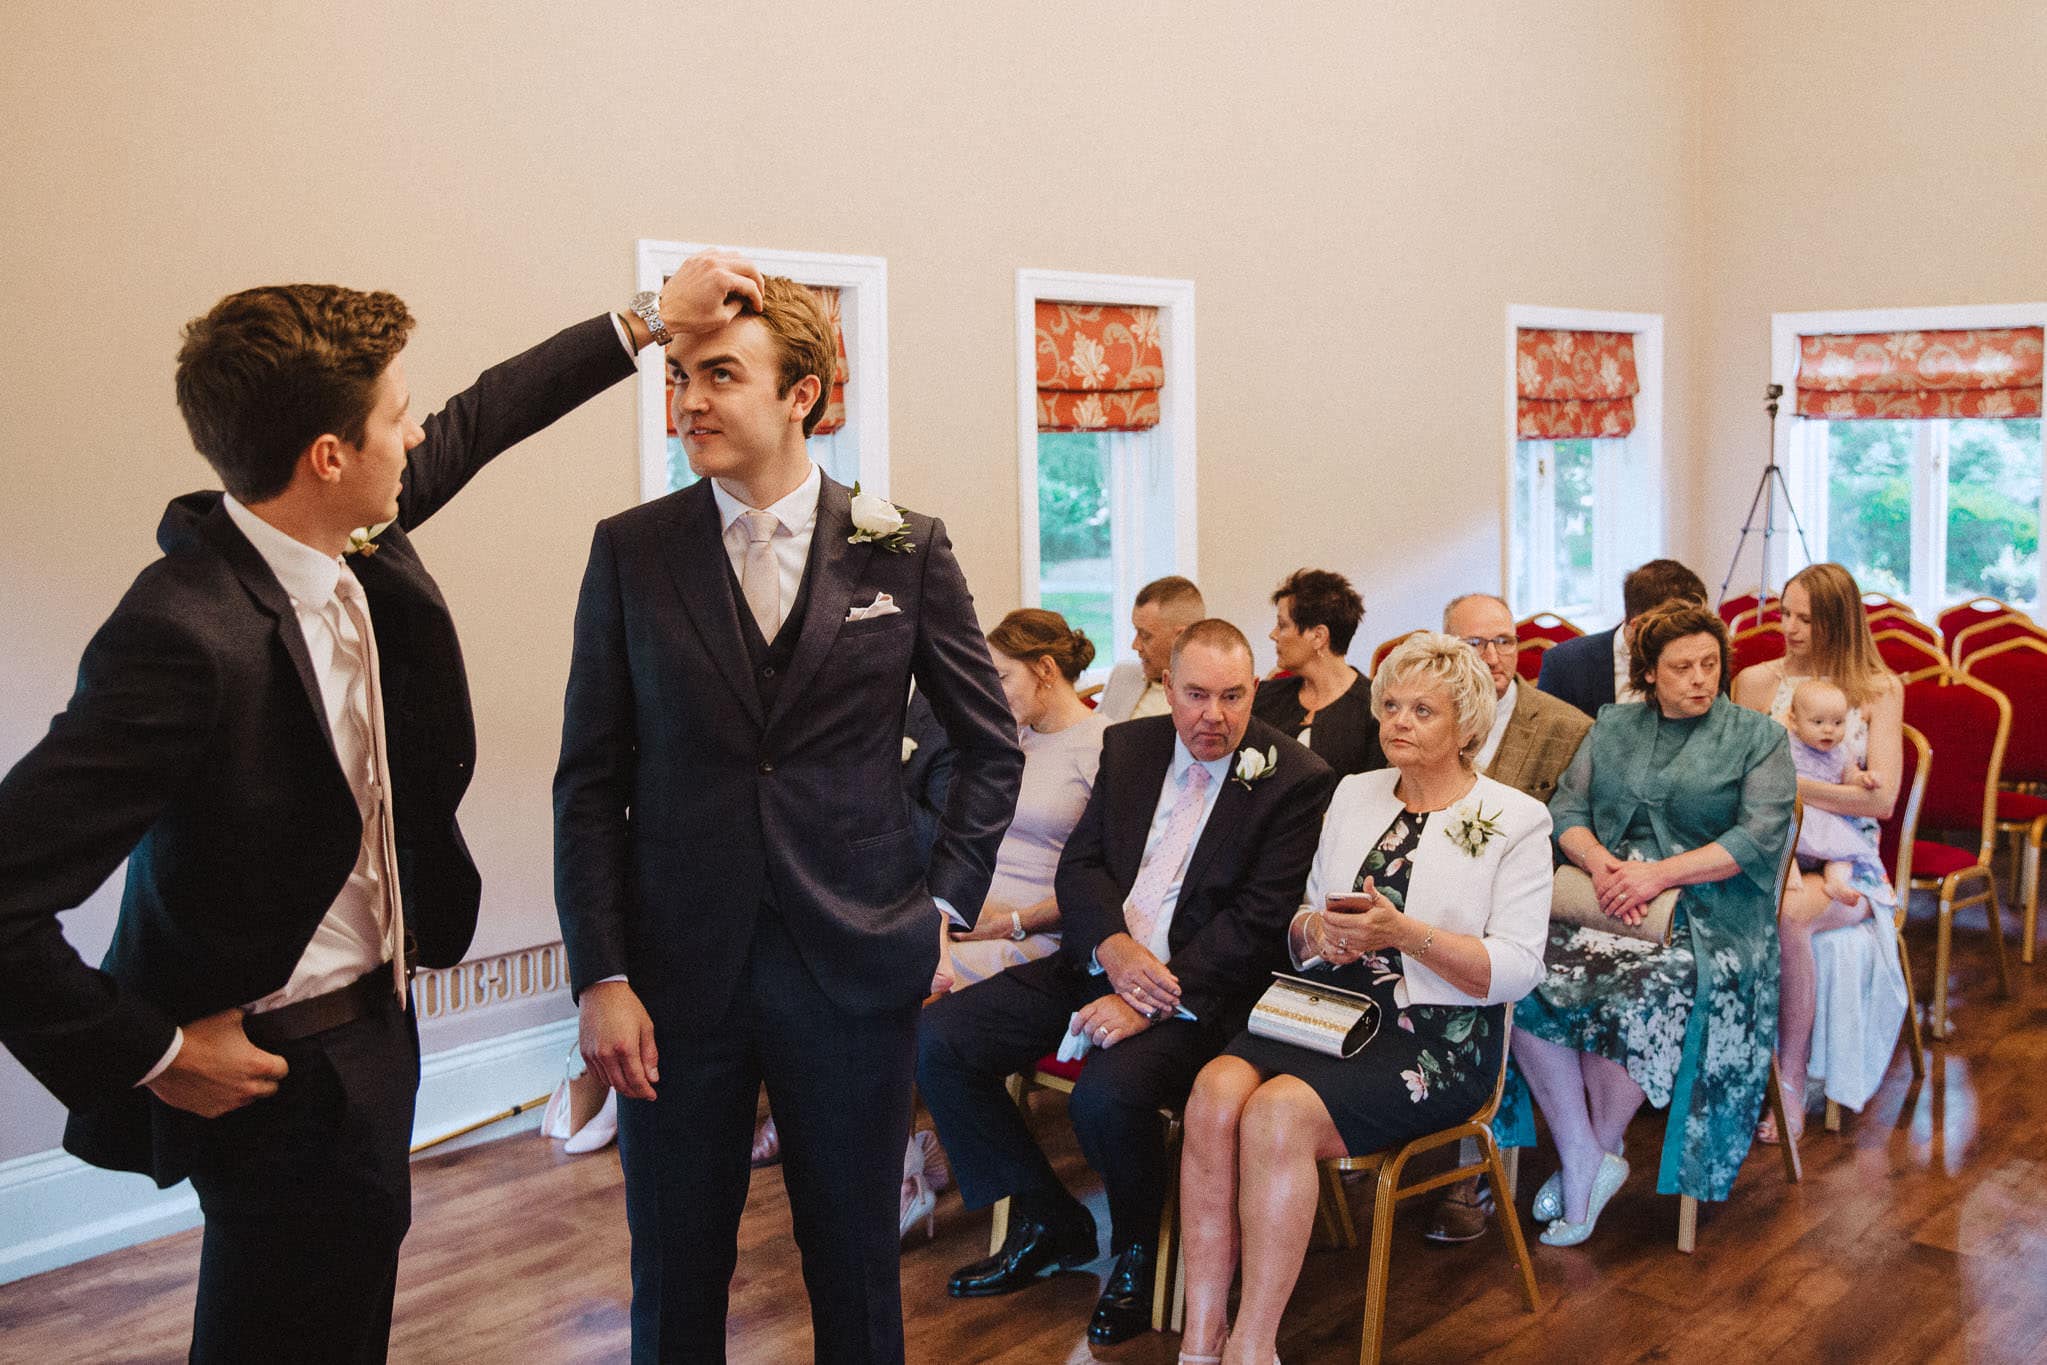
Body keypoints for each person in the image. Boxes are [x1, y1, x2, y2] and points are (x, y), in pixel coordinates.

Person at [0, 255, 757, 1363]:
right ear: (327, 455)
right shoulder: (183, 634)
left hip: (376, 1032)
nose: (417, 437)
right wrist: (155, 1053)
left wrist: (645, 321)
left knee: (344, 1325)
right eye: (396, 419)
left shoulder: (344, 533)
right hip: (271, 1071)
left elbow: (486, 416)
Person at [552, 269, 1024, 1365]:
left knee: (856, 1262)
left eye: (720, 375)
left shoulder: (902, 546)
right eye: (678, 378)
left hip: (856, 961)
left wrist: (942, 907)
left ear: (802, 393)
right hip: (673, 972)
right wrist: (602, 975)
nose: (688, 403)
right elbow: (588, 782)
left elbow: (988, 746)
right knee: (674, 1266)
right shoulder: (631, 549)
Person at [917, 620, 1335, 1349]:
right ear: (1167, 689)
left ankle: (1138, 1250)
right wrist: (1111, 949)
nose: (1215, 715)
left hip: (1204, 989)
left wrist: (1150, 994)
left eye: (1234, 696)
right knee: (938, 1039)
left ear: (1252, 692)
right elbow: (1081, 867)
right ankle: (1049, 1216)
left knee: (1109, 1094)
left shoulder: (1293, 776)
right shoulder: (1132, 746)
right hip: (1098, 960)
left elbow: (1257, 922)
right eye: (1197, 694)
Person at [1175, 633, 1553, 1364]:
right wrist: (1320, 933)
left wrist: (1405, 934)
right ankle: (1199, 1337)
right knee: (1214, 1091)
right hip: (1324, 1006)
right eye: (1389, 706)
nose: (1397, 722)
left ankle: (1252, 1344)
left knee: (1276, 1112)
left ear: (1466, 726)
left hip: (1435, 1035)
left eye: (1422, 710)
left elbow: (1516, 968)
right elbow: (1304, 920)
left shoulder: (1515, 820)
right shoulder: (1353, 791)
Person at [1502, 601, 1794, 1245]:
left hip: (1713, 913)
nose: (1700, 679)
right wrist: (1604, 865)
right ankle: (1584, 1150)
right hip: (1606, 897)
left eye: (1710, 664)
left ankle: (1589, 1158)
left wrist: (1658, 876)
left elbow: (1757, 838)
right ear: (1649, 674)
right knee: (1516, 974)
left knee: (1639, 993)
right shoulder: (1613, 725)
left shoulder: (1758, 737)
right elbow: (1568, 809)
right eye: (1682, 667)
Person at [1423, 592, 1594, 1245]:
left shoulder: (1565, 726)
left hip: (1523, 911)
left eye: (1503, 641)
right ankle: (1395, 1133)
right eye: (1475, 644)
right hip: (1433, 900)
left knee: (1485, 986)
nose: (1492, 658)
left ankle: (1471, 1169)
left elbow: (1574, 834)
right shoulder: (1425, 711)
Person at [1731, 562, 1907, 1134]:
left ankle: (1791, 1077)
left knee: (1789, 914)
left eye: (1806, 618)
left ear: (1839, 621)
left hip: (1848, 860)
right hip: (1769, 848)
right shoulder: (1758, 682)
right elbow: (1735, 782)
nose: (1790, 628)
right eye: (1785, 613)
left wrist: (1792, 786)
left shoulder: (1879, 689)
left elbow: (1879, 804)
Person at [941, 608, 1110, 986]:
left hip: (1036, 934)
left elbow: (1112, 879)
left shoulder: (1103, 748)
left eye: (1002, 677)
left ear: (1046, 670)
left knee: (915, 985)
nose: (993, 693)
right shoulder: (1012, 741)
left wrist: (1009, 924)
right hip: (973, 917)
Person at [1253, 568, 1386, 777]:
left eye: (1282, 625)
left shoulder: (1374, 711)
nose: (1273, 635)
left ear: (1318, 636)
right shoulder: (1264, 697)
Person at [1536, 558, 1709, 717]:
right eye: (1677, 631)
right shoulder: (1566, 665)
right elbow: (1549, 744)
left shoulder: (1708, 664)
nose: (1689, 640)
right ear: (1636, 627)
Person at [1784, 680, 1881, 909]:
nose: (1829, 729)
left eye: (1838, 722)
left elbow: (1850, 775)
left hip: (1827, 822)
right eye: (1818, 722)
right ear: (1794, 722)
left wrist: (1862, 779)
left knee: (1844, 853)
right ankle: (1788, 872)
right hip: (1797, 816)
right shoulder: (1785, 744)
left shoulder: (1841, 752)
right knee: (1776, 835)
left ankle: (1835, 882)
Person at [1097, 575, 1205, 721]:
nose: (1135, 646)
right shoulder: (1122, 675)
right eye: (1136, 631)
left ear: (1181, 638)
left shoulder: (1205, 701)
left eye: (1145, 635)